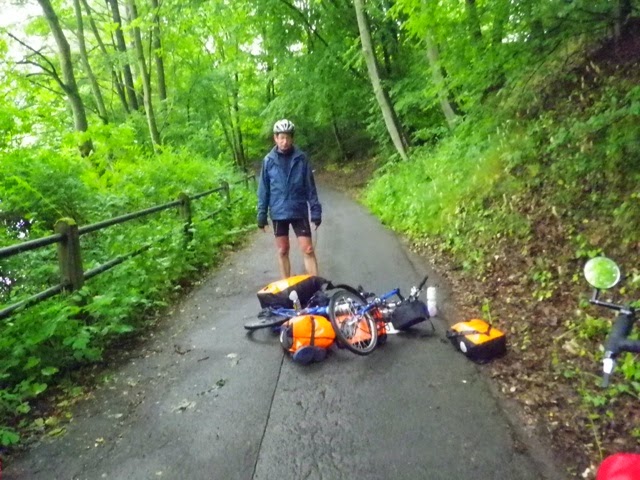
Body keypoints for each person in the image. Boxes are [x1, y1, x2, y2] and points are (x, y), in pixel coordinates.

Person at [257, 119, 322, 279]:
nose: (284, 141)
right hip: (278, 212)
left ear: (292, 138)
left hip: (298, 209)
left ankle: (316, 286)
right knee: (283, 250)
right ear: (275, 138)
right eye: (281, 137)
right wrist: (261, 214)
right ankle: (287, 287)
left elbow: (310, 186)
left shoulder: (301, 158)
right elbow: (263, 189)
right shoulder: (268, 161)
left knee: (308, 249)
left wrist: (315, 211)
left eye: (287, 137)